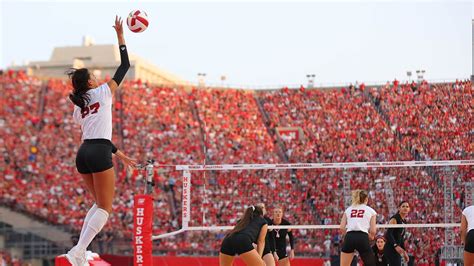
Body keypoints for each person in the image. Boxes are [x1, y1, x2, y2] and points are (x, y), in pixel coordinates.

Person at [64, 16, 137, 266]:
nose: (97, 77)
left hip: (84, 153)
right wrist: (121, 36)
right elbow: (125, 65)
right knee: (105, 208)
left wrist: (119, 153)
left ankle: (80, 251)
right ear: (90, 83)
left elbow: (96, 134)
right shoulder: (103, 91)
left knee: (98, 204)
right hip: (97, 151)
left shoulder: (78, 105)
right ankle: (79, 250)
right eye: (93, 76)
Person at [339, 189, 376, 266]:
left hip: (350, 236)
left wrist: (348, 236)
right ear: (366, 199)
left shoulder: (348, 209)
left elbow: (342, 227)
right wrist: (371, 236)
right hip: (363, 237)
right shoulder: (371, 210)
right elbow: (373, 230)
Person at [384, 201, 410, 266]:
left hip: (396, 250)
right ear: (399, 208)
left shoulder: (404, 221)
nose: (405, 208)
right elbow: (388, 234)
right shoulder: (394, 219)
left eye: (407, 206)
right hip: (390, 248)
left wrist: (404, 252)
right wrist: (395, 245)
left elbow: (401, 238)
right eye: (403, 206)